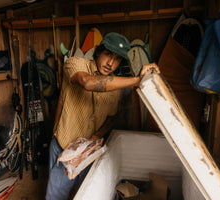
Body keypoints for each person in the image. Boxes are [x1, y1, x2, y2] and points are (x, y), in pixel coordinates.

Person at [45, 32, 159, 200]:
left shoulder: (114, 87)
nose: (111, 63)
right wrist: (138, 80)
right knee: (56, 196)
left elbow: (111, 118)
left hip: (89, 152)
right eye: (108, 54)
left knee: (85, 193)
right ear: (98, 52)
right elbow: (87, 82)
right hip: (65, 147)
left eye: (118, 58)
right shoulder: (74, 63)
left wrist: (96, 137)